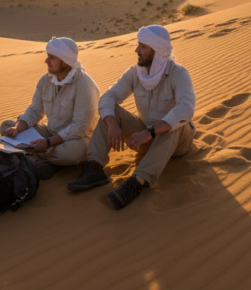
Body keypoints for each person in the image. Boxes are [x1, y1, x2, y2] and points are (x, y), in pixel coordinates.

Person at [67, 25, 196, 209]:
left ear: (157, 50)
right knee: (112, 111)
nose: (137, 50)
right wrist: (112, 124)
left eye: (143, 46)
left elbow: (186, 109)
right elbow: (108, 97)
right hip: (146, 137)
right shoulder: (135, 72)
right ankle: (95, 167)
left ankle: (137, 181)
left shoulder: (178, 73)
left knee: (173, 123)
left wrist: (151, 131)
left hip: (177, 143)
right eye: (138, 45)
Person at [1, 37, 99, 180]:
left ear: (65, 62)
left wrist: (47, 143)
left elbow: (79, 127)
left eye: (51, 58)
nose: (46, 61)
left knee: (72, 153)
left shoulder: (84, 85)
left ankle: (38, 157)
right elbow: (35, 110)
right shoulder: (45, 80)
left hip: (78, 139)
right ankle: (45, 159)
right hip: (51, 132)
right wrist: (17, 128)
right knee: (6, 127)